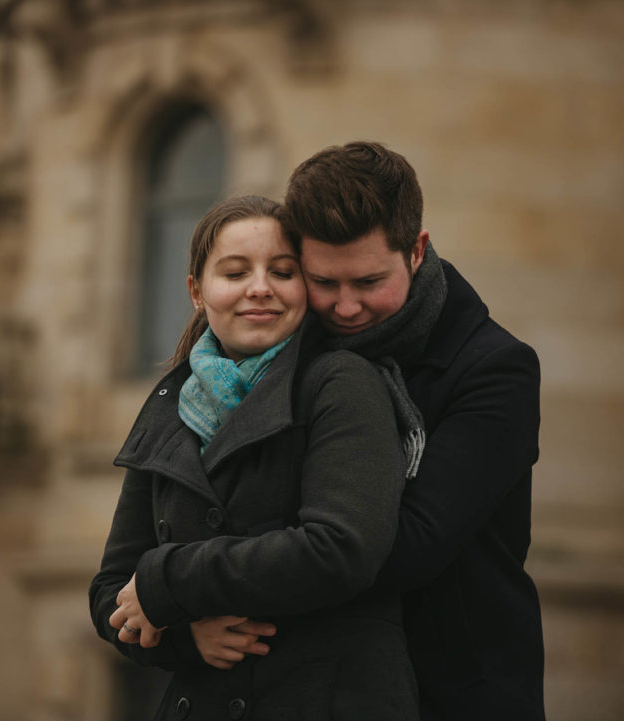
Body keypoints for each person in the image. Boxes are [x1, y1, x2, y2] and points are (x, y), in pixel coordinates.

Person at [88, 195, 418, 721]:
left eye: (282, 272)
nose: (260, 287)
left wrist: (172, 581)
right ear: (197, 291)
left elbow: (341, 548)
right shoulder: (173, 402)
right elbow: (112, 594)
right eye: (236, 272)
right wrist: (188, 643)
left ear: (304, 287)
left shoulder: (340, 383)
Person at [281, 142, 546, 721]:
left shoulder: (495, 368)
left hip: (452, 697)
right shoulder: (284, 351)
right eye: (324, 282)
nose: (345, 308)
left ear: (417, 250)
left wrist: (206, 580)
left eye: (369, 281)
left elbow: (408, 547)